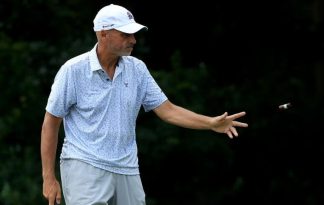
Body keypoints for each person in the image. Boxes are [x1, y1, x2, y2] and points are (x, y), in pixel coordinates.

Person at [40, 3, 248, 205]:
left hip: (127, 168)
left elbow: (168, 111)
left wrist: (210, 123)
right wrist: (49, 177)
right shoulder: (73, 70)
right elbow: (51, 123)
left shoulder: (137, 69)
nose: (133, 40)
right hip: (84, 165)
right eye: (125, 35)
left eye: (133, 34)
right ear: (103, 34)